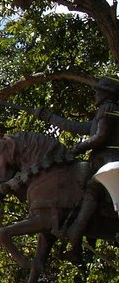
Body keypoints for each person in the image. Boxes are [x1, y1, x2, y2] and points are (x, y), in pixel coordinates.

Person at [34, 77, 119, 247]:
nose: (95, 94)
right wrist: (48, 116)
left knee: (93, 189)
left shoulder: (108, 108)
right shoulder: (102, 113)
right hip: (102, 163)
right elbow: (74, 126)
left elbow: (99, 138)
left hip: (111, 162)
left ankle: (76, 233)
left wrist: (78, 148)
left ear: (106, 93)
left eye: (98, 91)